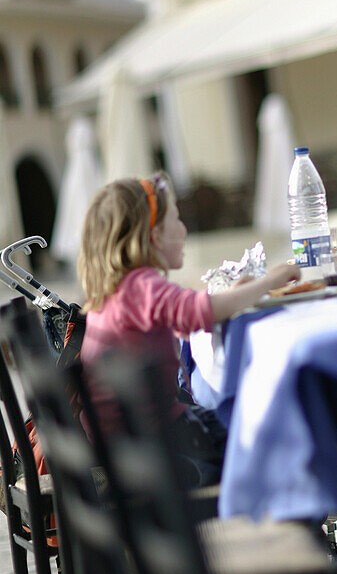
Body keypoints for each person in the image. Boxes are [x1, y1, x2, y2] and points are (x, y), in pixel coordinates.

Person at [78, 172, 299, 485]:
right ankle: (294, 522)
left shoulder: (120, 289)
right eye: (177, 220)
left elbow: (185, 312)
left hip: (128, 445)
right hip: (160, 448)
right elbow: (202, 313)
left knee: (250, 425)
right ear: (154, 235)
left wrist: (233, 293)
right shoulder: (142, 285)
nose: (183, 230)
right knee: (267, 434)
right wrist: (271, 281)